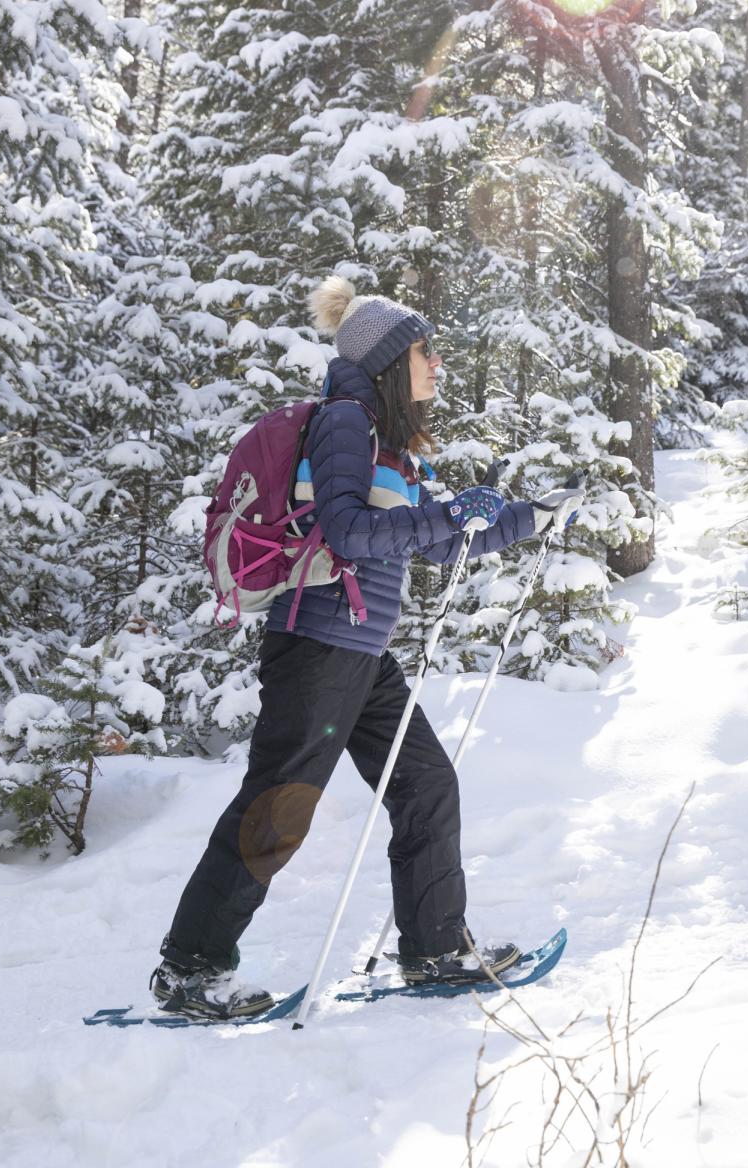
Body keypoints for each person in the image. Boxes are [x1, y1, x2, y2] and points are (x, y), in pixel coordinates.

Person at [150, 277, 581, 1019]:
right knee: (276, 807)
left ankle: (436, 948)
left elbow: (435, 545)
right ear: (387, 359)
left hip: (359, 652)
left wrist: (524, 518)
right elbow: (349, 533)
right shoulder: (347, 421)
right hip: (317, 649)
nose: (436, 364)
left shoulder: (384, 438)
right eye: (425, 351)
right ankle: (189, 970)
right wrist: (447, 512)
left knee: (425, 784)